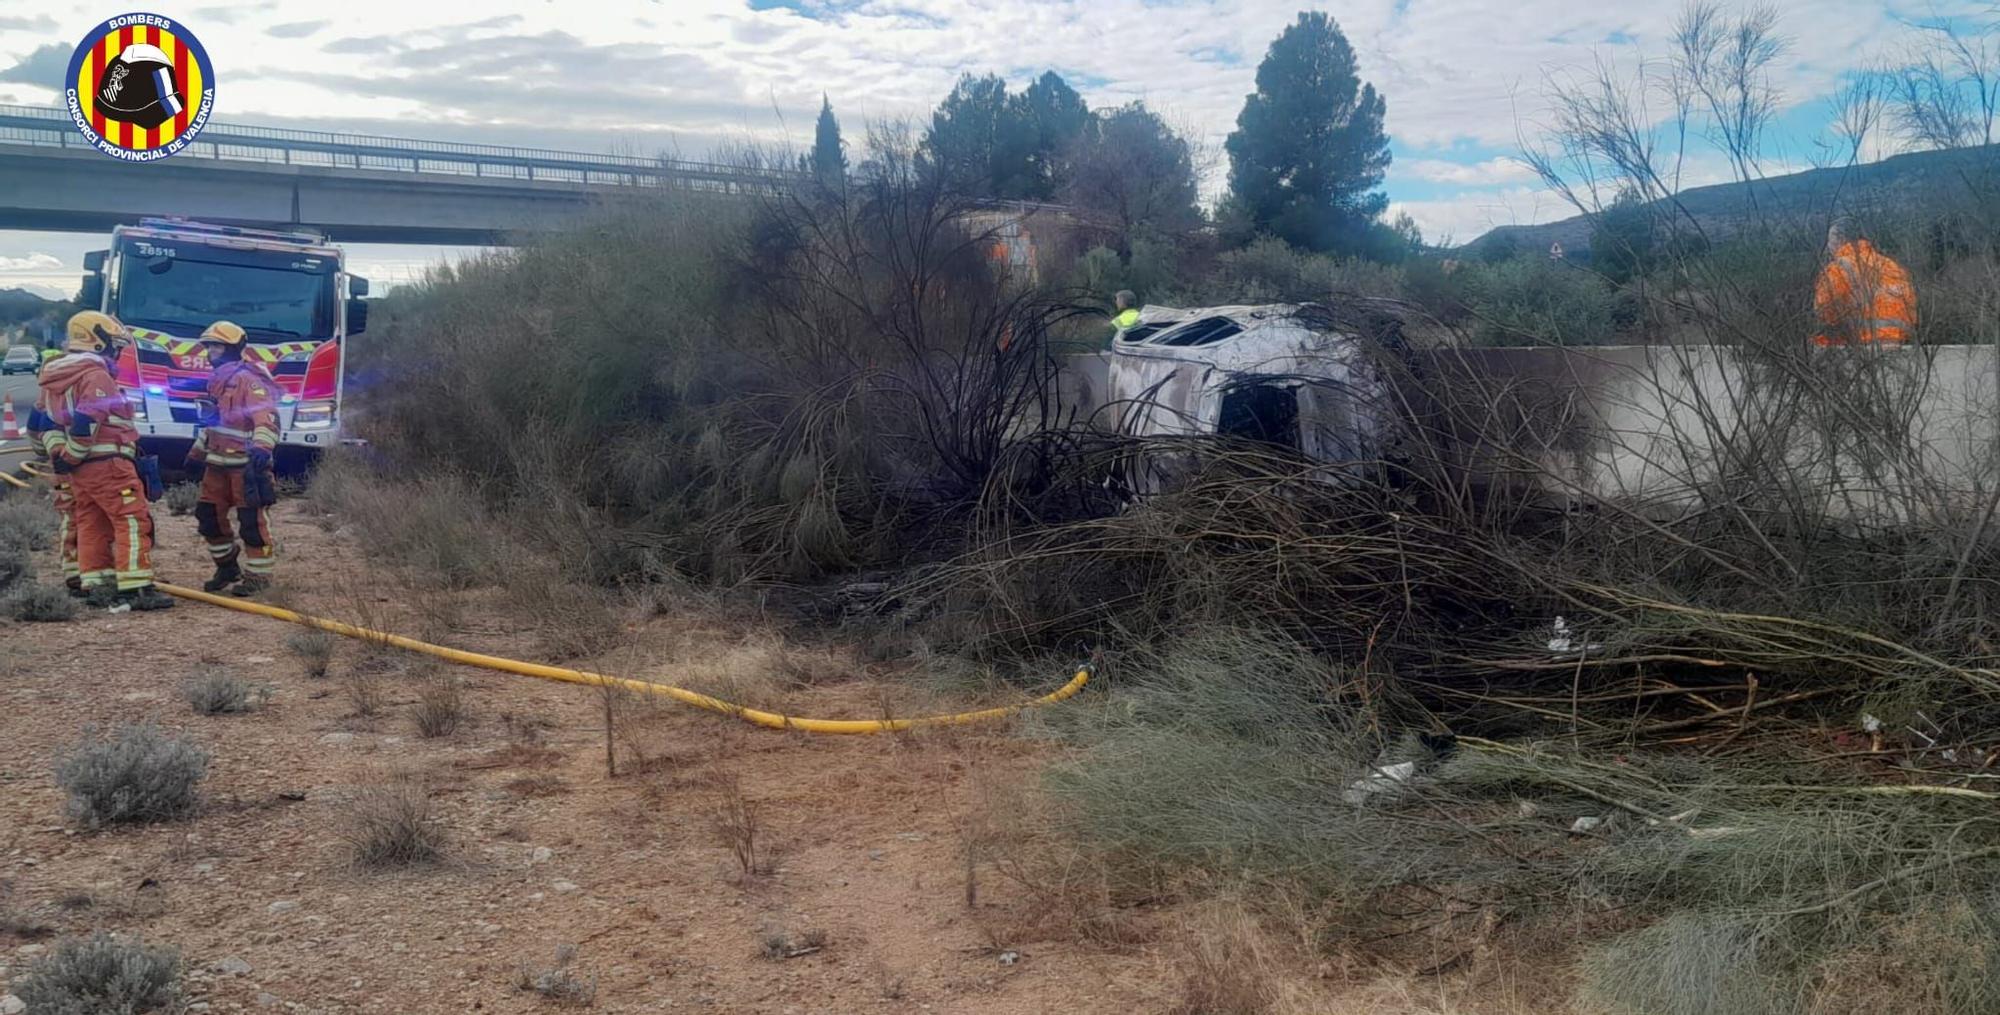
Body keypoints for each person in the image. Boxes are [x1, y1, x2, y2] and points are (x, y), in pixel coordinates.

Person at [35, 311, 172, 610]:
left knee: (90, 522)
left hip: (82, 472)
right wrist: (72, 454)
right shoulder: (96, 374)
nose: (117, 352)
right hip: (109, 465)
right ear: (97, 341)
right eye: (114, 345)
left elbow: (45, 425)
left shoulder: (55, 376)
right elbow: (87, 423)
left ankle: (97, 583)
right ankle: (136, 588)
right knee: (132, 520)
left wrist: (62, 457)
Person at [183, 321, 280, 596]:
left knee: (251, 522)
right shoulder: (217, 381)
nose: (210, 351)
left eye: (216, 346)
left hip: (245, 467)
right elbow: (213, 426)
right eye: (209, 346)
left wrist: (262, 448)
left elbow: (267, 418)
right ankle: (227, 567)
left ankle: (259, 577)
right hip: (216, 466)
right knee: (208, 517)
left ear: (232, 348)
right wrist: (195, 455)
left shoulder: (249, 380)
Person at [1814, 218, 1916, 347]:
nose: (1829, 246)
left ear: (1839, 239)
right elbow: (1911, 310)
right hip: (1900, 343)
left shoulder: (1839, 268)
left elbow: (1824, 311)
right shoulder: (1892, 266)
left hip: (1861, 345)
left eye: (1830, 241)